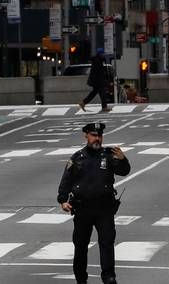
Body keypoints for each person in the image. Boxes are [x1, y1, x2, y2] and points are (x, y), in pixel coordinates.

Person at [57, 122, 131, 284]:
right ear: (86, 136)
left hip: (104, 208)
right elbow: (66, 180)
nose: (97, 139)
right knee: (81, 245)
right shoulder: (77, 158)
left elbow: (124, 171)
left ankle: (109, 277)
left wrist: (123, 159)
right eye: (94, 135)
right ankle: (81, 279)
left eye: (99, 136)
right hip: (82, 208)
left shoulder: (109, 155)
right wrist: (62, 200)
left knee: (107, 242)